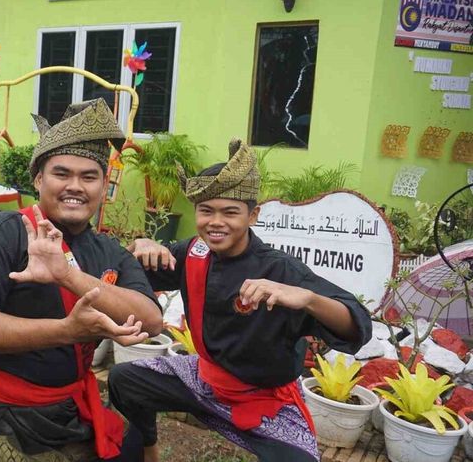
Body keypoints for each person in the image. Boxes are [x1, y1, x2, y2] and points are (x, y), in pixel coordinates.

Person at [0, 98, 163, 462]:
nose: (75, 186)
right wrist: (67, 330)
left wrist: (67, 275)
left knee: (131, 447)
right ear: (38, 179)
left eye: (89, 177)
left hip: (63, 408)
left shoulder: (110, 251)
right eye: (61, 174)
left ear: (104, 186)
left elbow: (151, 320)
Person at [108, 139, 372, 462]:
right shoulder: (194, 252)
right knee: (124, 380)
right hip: (201, 378)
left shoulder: (280, 270)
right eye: (206, 211)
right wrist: (139, 248)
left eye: (230, 212)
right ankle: (146, 449)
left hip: (263, 398)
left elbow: (357, 325)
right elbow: (126, 275)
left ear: (252, 215)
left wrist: (308, 299)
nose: (216, 222)